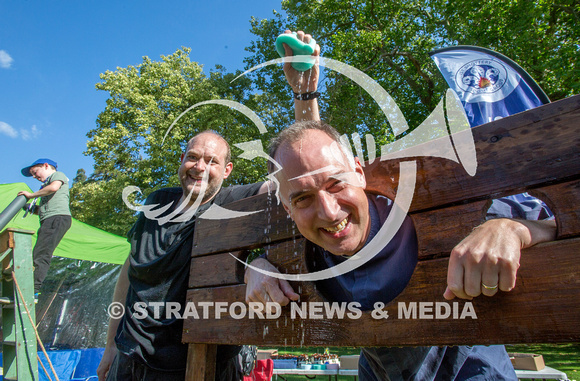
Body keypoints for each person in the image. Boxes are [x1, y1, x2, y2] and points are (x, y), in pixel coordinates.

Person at [244, 31, 557, 380]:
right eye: (302, 200)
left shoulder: (417, 208)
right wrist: (252, 264)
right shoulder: (305, 244)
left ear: (360, 173)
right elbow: (308, 164)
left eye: (339, 185)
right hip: (380, 369)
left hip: (470, 367)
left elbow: (553, 223)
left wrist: (510, 228)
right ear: (287, 210)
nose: (330, 212)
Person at [97, 131, 269, 381]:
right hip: (128, 360)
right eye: (192, 157)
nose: (200, 167)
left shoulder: (232, 203)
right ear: (181, 160)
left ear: (227, 170)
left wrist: (304, 98)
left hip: (202, 365)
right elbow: (129, 273)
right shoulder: (155, 203)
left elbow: (294, 181)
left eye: (212, 161)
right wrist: (111, 344)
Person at [19, 158, 72, 295]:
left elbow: (54, 188)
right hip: (51, 219)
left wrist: (30, 195)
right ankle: (32, 287)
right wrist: (27, 207)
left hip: (57, 218)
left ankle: (33, 290)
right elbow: (44, 208)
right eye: (33, 175)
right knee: (39, 252)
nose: (35, 177)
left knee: (41, 254)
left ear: (46, 166)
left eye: (35, 172)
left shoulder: (57, 176)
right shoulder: (45, 188)